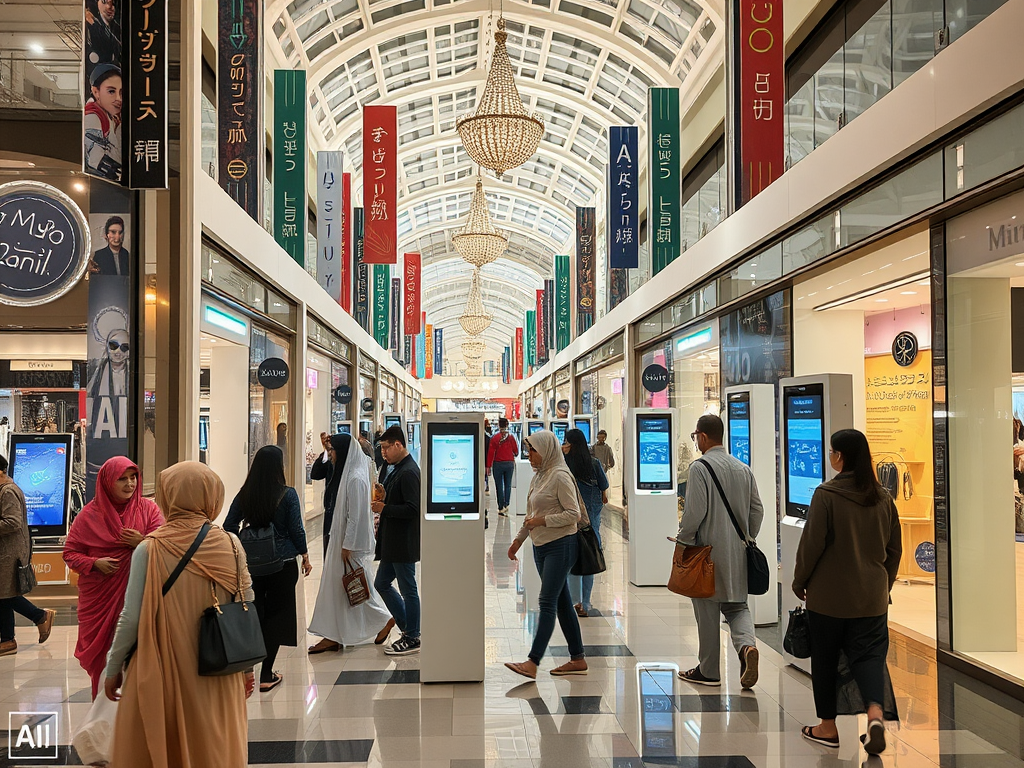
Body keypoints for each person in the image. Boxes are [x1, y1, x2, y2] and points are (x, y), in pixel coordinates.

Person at [104, 462, 255, 767]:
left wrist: (113, 667)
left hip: (163, 668)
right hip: (218, 667)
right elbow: (245, 606)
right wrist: (248, 668)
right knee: (213, 746)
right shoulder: (231, 544)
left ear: (168, 496)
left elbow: (131, 617)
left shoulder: (149, 549)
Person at [794, 428, 902, 755]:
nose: (830, 457)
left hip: (828, 598)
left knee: (825, 660)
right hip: (871, 597)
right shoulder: (883, 497)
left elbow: (811, 545)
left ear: (840, 457)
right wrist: (884, 584)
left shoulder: (826, 495)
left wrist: (800, 581)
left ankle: (827, 728)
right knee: (869, 658)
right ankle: (874, 715)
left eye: (831, 452)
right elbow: (894, 549)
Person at [676, 414, 763, 690]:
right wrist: (748, 537)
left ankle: (709, 670)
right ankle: (747, 647)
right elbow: (757, 510)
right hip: (738, 553)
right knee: (737, 605)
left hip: (706, 553)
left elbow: (694, 514)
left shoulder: (700, 468)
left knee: (707, 607)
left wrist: (682, 542)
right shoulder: (743, 468)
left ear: (702, 436)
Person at [63, 457, 163, 697]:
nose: (130, 484)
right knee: (101, 657)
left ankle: (133, 717)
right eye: (122, 479)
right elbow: (70, 553)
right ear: (107, 482)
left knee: (139, 655)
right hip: (99, 598)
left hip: (139, 593)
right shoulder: (89, 515)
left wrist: (142, 542)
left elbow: (165, 547)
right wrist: (94, 563)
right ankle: (102, 714)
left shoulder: (148, 509)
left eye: (133, 477)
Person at [224, 446, 312, 690]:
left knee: (255, 614)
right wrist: (304, 554)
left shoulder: (245, 495)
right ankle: (266, 675)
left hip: (251, 566)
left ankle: (248, 669)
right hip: (281, 565)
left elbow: (229, 526)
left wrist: (245, 543)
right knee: (275, 618)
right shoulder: (288, 494)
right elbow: (296, 529)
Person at [505, 430, 587, 679]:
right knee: (562, 603)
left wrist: (542, 521)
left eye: (533, 451)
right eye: (528, 450)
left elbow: (574, 514)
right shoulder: (539, 477)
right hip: (542, 547)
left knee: (547, 602)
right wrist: (518, 541)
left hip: (561, 545)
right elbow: (530, 514)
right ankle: (578, 658)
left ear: (546, 451)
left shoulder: (560, 476)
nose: (529, 455)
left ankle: (533, 661)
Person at [307, 434, 395, 653]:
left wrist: (347, 545)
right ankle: (333, 634)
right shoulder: (347, 472)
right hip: (341, 538)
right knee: (342, 587)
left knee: (354, 586)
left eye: (333, 451)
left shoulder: (355, 478)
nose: (331, 455)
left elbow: (355, 516)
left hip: (348, 543)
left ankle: (383, 619)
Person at [371, 425, 421, 656]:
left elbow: (413, 508)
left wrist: (385, 508)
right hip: (393, 540)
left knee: (408, 588)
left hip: (403, 540)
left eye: (386, 448)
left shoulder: (409, 471)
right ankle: (407, 626)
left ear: (398, 445)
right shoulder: (396, 468)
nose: (383, 453)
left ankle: (413, 635)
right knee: (381, 583)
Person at [0, 454, 56, 657]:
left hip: (8, 553)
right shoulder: (5, 490)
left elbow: (12, 522)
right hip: (7, 551)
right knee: (4, 595)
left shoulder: (7, 491)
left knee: (5, 594)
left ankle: (38, 616)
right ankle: (8, 639)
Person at [563, 428, 608, 617]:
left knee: (571, 561)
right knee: (588, 559)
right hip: (591, 522)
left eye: (566, 442)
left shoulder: (563, 466)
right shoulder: (594, 463)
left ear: (571, 444)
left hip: (570, 521)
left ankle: (575, 602)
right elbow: (604, 492)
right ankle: (586, 603)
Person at [83, 64, 122, 182]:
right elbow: (96, 159)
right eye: (111, 91)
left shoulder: (112, 116)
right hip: (102, 184)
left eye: (121, 93)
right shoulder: (93, 117)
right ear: (96, 91)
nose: (118, 98)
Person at [309, 432, 337, 555]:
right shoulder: (329, 461)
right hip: (330, 511)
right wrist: (325, 451)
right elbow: (315, 474)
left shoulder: (350, 466)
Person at [487, 417, 519, 517]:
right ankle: (507, 505)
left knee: (499, 486)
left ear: (498, 425)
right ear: (507, 425)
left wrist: (488, 466)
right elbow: (516, 451)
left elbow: (491, 453)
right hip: (509, 463)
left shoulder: (495, 438)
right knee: (508, 484)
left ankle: (500, 507)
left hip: (498, 464)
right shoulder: (511, 437)